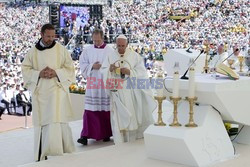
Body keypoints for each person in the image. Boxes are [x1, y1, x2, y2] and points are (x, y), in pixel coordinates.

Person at [21, 23, 76, 161]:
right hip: (41, 92)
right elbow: (25, 69)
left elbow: (70, 68)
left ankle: (60, 151)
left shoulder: (61, 50)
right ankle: (43, 152)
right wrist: (39, 74)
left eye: (53, 36)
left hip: (57, 91)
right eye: (48, 36)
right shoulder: (32, 52)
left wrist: (56, 72)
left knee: (57, 120)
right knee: (43, 122)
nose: (51, 39)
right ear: (41, 34)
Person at [101, 35, 157, 144]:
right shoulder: (110, 56)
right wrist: (110, 69)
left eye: (123, 46)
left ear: (127, 45)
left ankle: (131, 137)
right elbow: (104, 70)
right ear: (115, 45)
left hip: (130, 91)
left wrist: (130, 72)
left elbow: (142, 73)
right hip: (117, 90)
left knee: (131, 112)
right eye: (118, 46)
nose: (121, 48)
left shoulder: (134, 56)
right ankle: (119, 139)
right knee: (118, 116)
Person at [77, 29, 113, 145]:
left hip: (104, 83)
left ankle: (106, 133)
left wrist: (103, 67)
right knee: (90, 109)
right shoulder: (88, 50)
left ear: (103, 38)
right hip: (92, 82)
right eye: (94, 40)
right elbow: (82, 64)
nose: (96, 43)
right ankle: (85, 135)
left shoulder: (110, 50)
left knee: (105, 108)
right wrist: (93, 66)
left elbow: (114, 65)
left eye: (98, 40)